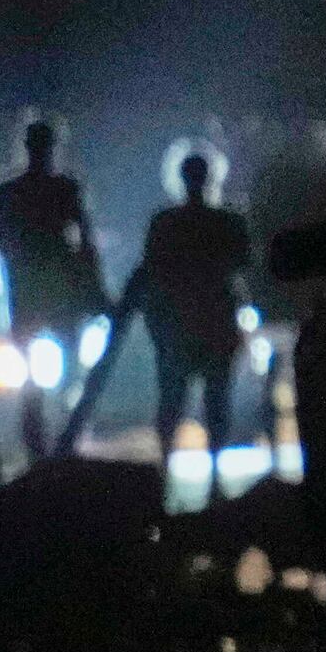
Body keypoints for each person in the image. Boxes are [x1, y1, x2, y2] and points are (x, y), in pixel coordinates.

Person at [0, 116, 107, 450]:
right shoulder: (63, 190)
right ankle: (53, 431)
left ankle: (41, 435)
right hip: (55, 289)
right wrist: (96, 291)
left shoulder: (7, 193)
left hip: (30, 289)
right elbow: (86, 243)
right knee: (60, 369)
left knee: (34, 373)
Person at [122, 152, 255, 463]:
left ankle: (165, 469)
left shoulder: (165, 223)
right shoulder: (228, 222)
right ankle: (213, 477)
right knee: (215, 400)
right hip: (215, 322)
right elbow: (243, 263)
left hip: (177, 325)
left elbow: (150, 271)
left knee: (173, 400)